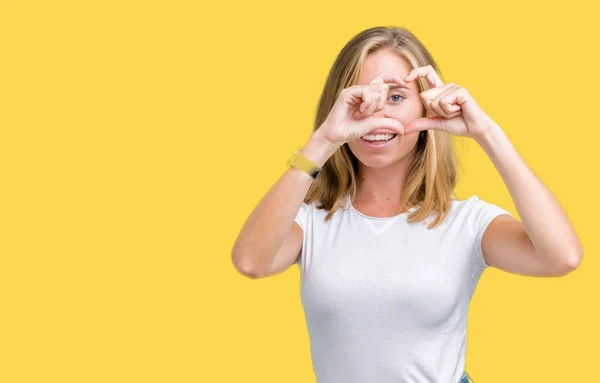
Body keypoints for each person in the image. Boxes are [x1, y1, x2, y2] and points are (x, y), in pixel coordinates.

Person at [231, 26, 583, 383]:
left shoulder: (467, 223)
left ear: (427, 105)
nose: (377, 114)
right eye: (362, 97)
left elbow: (562, 257)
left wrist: (486, 133)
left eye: (396, 97)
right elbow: (250, 262)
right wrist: (324, 139)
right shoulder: (311, 222)